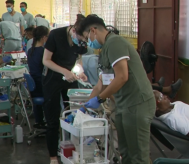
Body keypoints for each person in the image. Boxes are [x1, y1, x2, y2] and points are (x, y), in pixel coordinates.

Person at [76, 14, 155, 164]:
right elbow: (102, 83)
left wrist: (100, 99)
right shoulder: (105, 49)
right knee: (125, 153)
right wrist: (85, 107)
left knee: (138, 156)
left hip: (138, 103)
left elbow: (122, 76)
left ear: (94, 30)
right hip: (123, 104)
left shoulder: (115, 43)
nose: (88, 43)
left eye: (87, 38)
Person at [42, 15, 88, 164]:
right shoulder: (56, 35)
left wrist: (79, 71)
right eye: (80, 39)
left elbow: (78, 58)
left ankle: (72, 150)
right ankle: (53, 156)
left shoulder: (82, 41)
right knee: (53, 119)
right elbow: (46, 60)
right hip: (53, 79)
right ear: (73, 30)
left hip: (70, 78)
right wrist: (64, 71)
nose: (81, 42)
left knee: (75, 115)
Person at [27, 26, 49, 128]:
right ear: (44, 37)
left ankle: (39, 121)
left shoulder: (30, 51)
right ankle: (51, 122)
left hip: (35, 87)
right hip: (42, 85)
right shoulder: (44, 52)